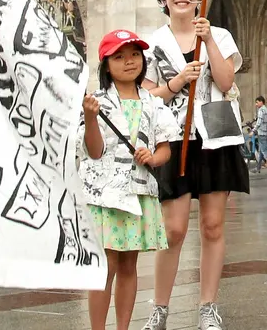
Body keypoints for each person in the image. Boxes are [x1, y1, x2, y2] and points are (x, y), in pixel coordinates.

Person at [140, 0, 250, 330]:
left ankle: (207, 306)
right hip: (173, 136)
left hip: (216, 132)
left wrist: (210, 42)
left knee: (213, 224)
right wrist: (176, 81)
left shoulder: (217, 34)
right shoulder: (153, 42)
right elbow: (147, 96)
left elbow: (226, 80)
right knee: (172, 229)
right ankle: (160, 307)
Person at [82, 30, 180, 330]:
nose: (129, 62)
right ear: (106, 65)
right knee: (106, 266)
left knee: (128, 265)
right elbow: (94, 151)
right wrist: (89, 118)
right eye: (119, 57)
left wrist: (152, 158)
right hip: (106, 195)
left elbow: (166, 149)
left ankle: (123, 326)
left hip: (139, 194)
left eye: (135, 55)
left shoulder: (153, 103)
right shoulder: (96, 103)